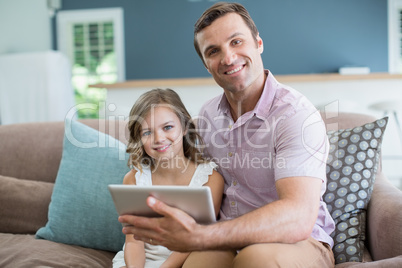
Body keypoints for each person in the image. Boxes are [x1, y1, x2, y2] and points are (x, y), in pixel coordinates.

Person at [119, 2, 336, 267]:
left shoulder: (296, 115)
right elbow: (184, 167)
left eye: (236, 41)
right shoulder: (208, 114)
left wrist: (202, 235)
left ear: (258, 43)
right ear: (206, 65)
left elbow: (298, 217)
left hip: (296, 242)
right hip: (224, 241)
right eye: (213, 51)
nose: (228, 58)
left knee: (256, 259)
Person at [112, 88, 224, 268]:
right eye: (147, 132)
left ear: (185, 127)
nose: (159, 138)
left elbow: (195, 240)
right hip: (138, 262)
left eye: (168, 127)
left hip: (183, 261)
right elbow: (133, 242)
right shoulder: (134, 180)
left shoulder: (210, 179)